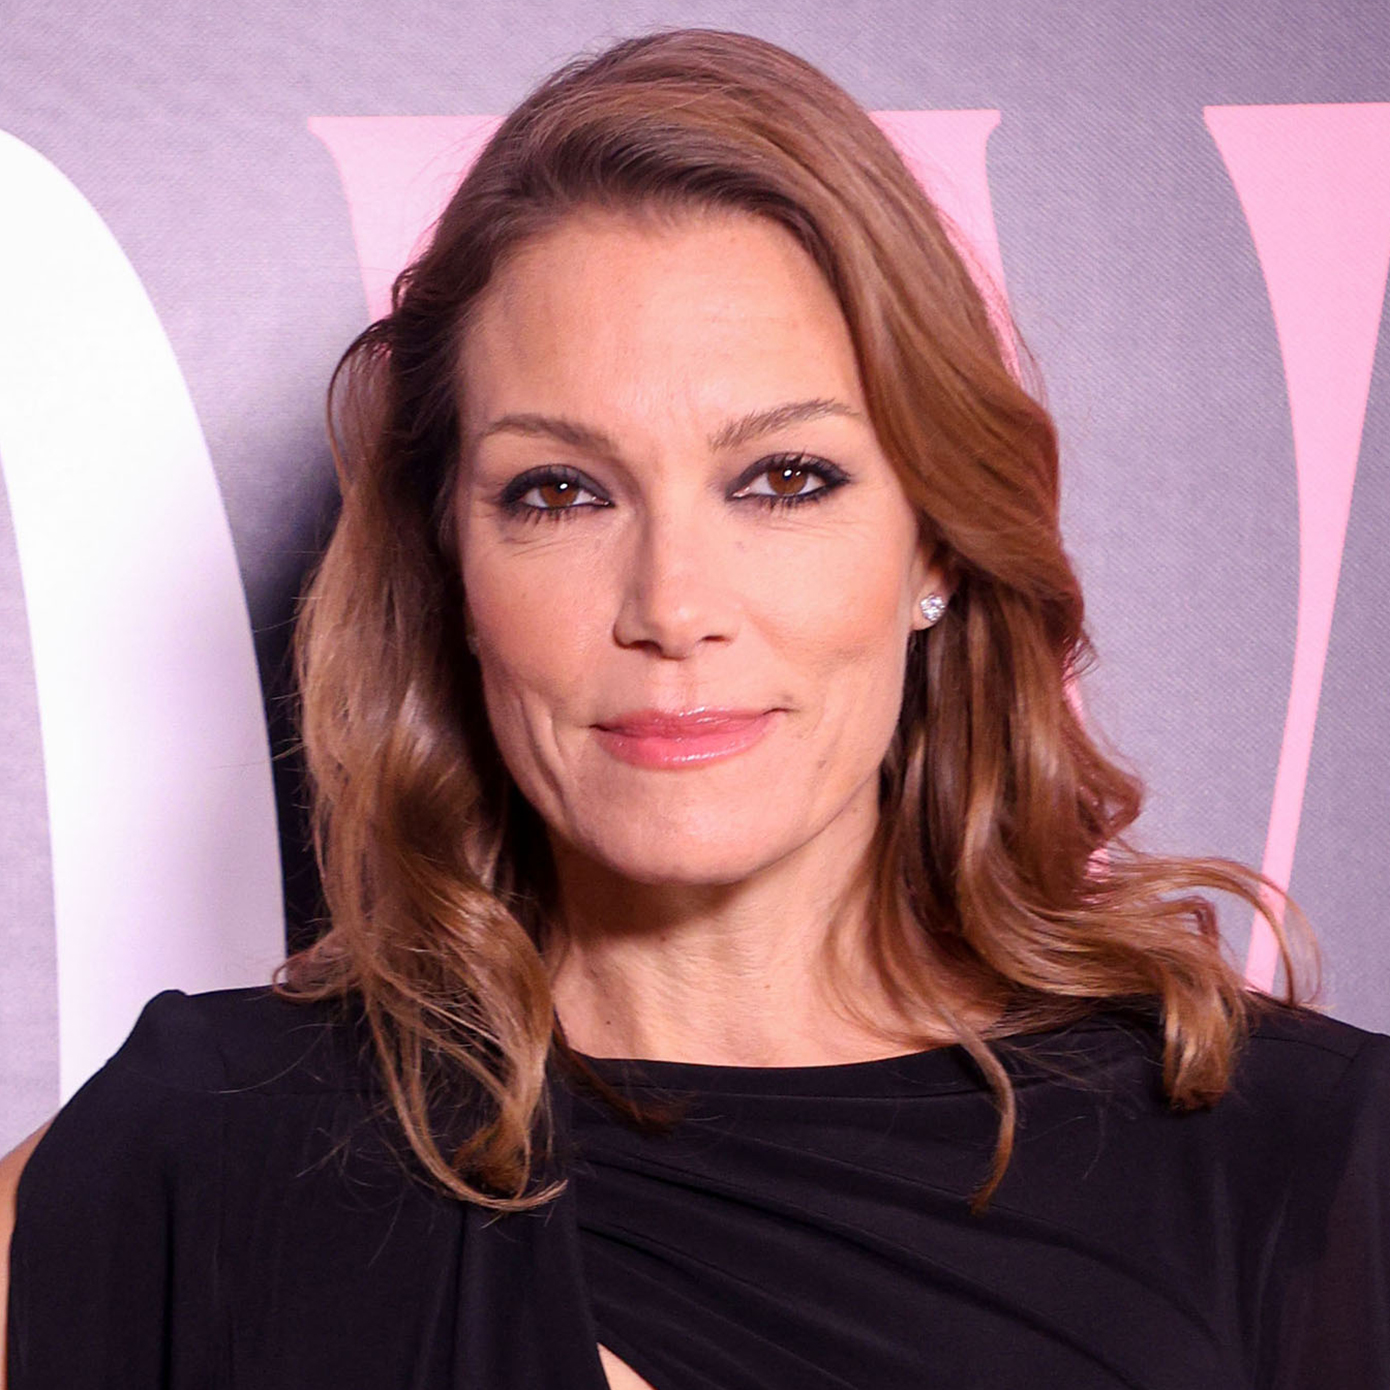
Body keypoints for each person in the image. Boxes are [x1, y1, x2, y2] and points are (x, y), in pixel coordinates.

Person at [3, 25, 1388, 1390]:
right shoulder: (203, 1157)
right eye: (560, 491)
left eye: (784, 479)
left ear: (936, 545)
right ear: (452, 567)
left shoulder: (1300, 1163)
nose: (672, 604)